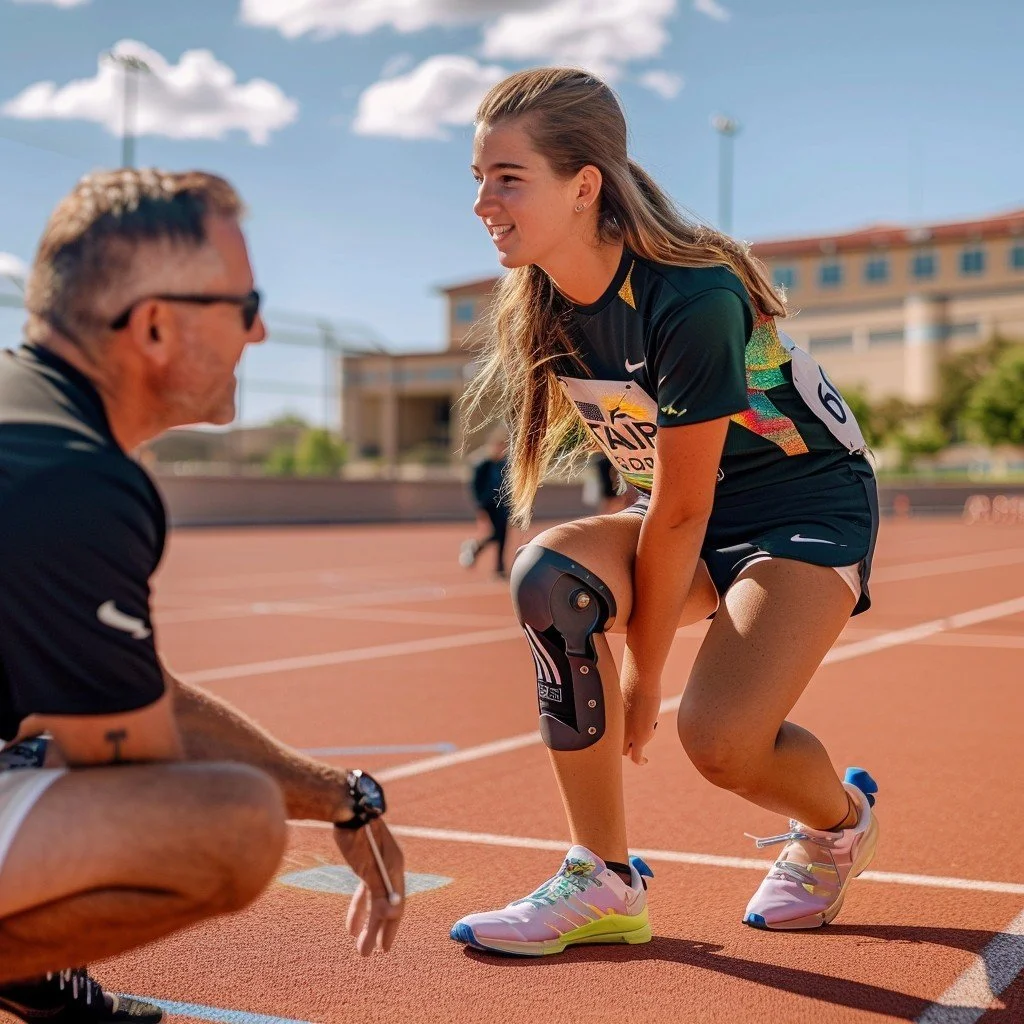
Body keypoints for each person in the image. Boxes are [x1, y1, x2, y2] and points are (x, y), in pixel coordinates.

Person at [451, 68, 880, 956]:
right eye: (479, 179)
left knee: (720, 743)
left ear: (584, 185)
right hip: (685, 503)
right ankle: (602, 879)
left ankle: (839, 823)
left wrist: (645, 673)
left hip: (799, 502)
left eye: (507, 177)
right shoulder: (544, 300)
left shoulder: (693, 295)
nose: (485, 202)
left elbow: (683, 511)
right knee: (550, 579)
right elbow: (644, 465)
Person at [0, 169, 405, 1019]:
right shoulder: (68, 475)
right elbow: (136, 762)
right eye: (243, 304)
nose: (258, 333)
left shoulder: (33, 424)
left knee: (45, 745)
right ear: (152, 324)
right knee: (228, 825)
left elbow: (144, 703)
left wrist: (343, 795)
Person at [459, 427, 512, 577]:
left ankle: (500, 567)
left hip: (502, 504)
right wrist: (480, 506)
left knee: (503, 534)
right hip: (488, 503)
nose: (502, 450)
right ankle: (476, 546)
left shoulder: (504, 464)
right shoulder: (483, 464)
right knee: (497, 533)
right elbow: (476, 486)